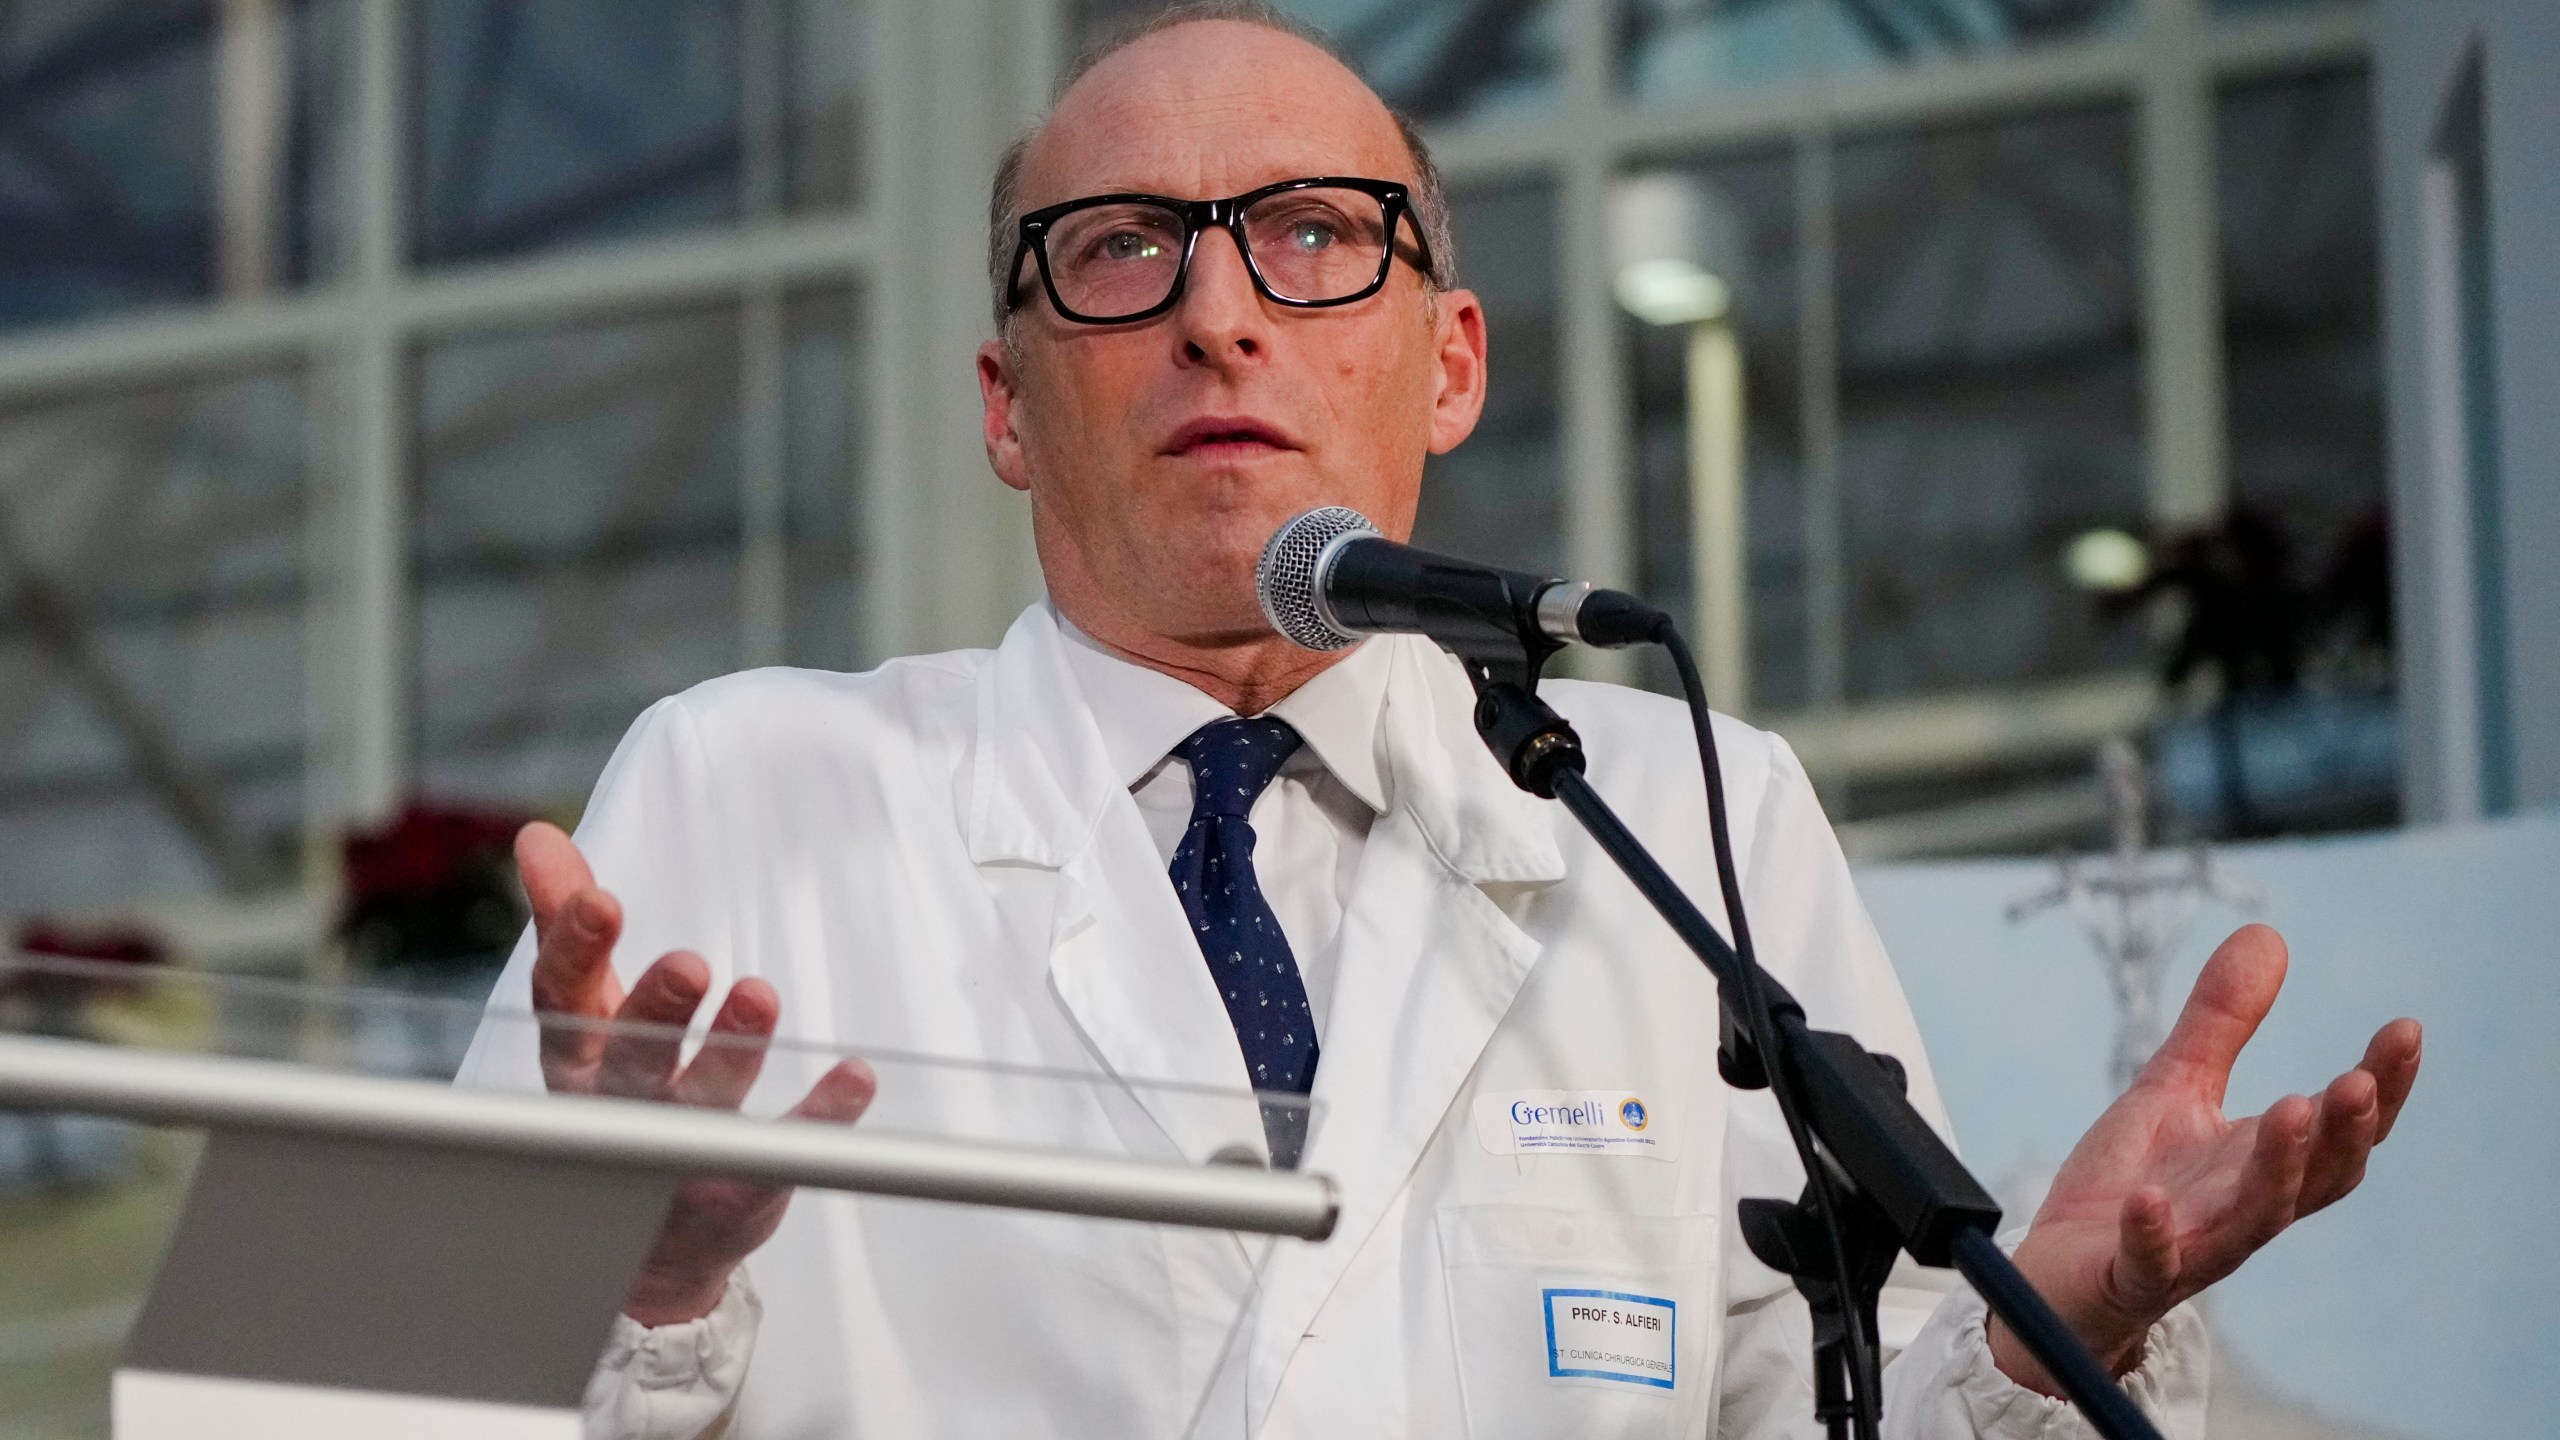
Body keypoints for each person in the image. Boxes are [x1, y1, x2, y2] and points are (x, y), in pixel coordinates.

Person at [458, 7, 2423, 1437]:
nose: (1218, 313)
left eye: (1311, 235)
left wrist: (2019, 1338)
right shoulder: (749, 785)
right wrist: (651, 1285)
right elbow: (371, 1404)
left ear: (1451, 360)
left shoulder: (1684, 808)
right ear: (1002, 400)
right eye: (1122, 248)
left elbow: (1838, 1410)